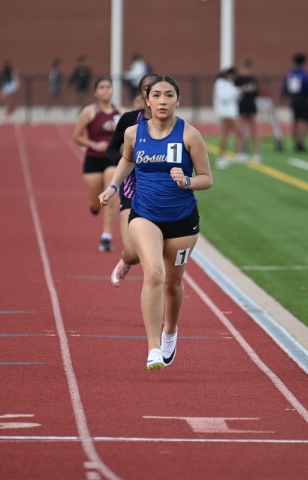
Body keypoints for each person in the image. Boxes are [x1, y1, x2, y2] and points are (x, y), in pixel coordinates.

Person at [98, 76, 213, 370]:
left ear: (178, 100)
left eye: (169, 95)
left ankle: (170, 331)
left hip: (182, 221)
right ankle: (153, 348)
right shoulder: (133, 133)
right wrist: (112, 187)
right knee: (154, 273)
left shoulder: (190, 135)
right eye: (157, 95)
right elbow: (127, 160)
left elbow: (207, 179)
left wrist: (187, 181)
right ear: (146, 100)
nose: (163, 101)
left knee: (173, 284)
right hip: (144, 215)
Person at [106, 73, 160, 287]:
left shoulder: (173, 124)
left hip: (161, 195)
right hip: (132, 192)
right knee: (133, 253)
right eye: (147, 88)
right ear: (142, 94)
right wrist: (126, 162)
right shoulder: (130, 120)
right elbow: (112, 148)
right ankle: (126, 261)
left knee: (158, 258)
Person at [73, 76, 122, 252]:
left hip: (112, 159)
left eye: (108, 87)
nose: (106, 90)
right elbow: (76, 136)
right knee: (96, 204)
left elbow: (130, 134)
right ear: (95, 92)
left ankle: (106, 237)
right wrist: (94, 144)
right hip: (93, 160)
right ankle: (94, 206)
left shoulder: (120, 112)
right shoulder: (89, 111)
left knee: (111, 195)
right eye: (102, 87)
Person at [280, 53, 308, 153]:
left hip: (293, 99)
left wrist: (284, 97)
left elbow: (284, 87)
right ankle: (301, 142)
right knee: (306, 121)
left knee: (295, 121)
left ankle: (295, 142)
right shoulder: (305, 74)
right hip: (303, 99)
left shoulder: (290, 74)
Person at [212, 66, 242, 168]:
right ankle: (222, 157)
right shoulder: (220, 83)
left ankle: (236, 155)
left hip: (231, 113)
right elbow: (224, 98)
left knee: (234, 134)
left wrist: (238, 92)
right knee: (227, 134)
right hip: (226, 113)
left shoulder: (229, 83)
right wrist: (237, 92)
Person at [235, 57, 261, 162]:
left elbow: (256, 91)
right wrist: (243, 90)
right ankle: (239, 153)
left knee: (254, 130)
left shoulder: (252, 79)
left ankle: (256, 154)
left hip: (250, 105)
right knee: (239, 130)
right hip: (240, 107)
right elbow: (235, 92)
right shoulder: (237, 80)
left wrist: (250, 90)